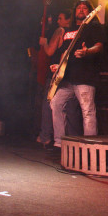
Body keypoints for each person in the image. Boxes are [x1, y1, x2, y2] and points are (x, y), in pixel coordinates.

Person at [46, 0, 105, 150]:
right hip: (67, 78)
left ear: (90, 11)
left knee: (87, 111)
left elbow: (99, 46)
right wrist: (58, 67)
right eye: (78, 7)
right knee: (55, 103)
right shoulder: (68, 30)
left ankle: (90, 146)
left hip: (85, 77)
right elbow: (65, 53)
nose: (81, 10)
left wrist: (87, 51)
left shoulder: (94, 27)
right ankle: (59, 142)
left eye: (85, 8)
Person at [36, 8, 72, 148]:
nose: (57, 21)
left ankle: (45, 136)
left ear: (67, 20)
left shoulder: (60, 31)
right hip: (67, 73)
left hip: (55, 73)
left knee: (48, 104)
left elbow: (50, 51)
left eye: (60, 18)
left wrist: (44, 42)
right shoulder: (73, 33)